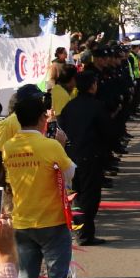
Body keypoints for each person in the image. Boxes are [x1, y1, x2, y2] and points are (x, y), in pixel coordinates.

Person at [4, 89, 95, 278]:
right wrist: (62, 144)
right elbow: (70, 174)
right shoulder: (50, 145)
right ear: (42, 118)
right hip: (52, 220)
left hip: (22, 221)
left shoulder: (9, 147)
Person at [56, 70, 108, 247]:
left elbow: (61, 128)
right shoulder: (97, 106)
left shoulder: (69, 107)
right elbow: (107, 131)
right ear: (92, 85)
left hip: (71, 156)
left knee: (76, 195)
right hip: (91, 156)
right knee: (90, 197)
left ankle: (79, 230)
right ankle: (85, 234)